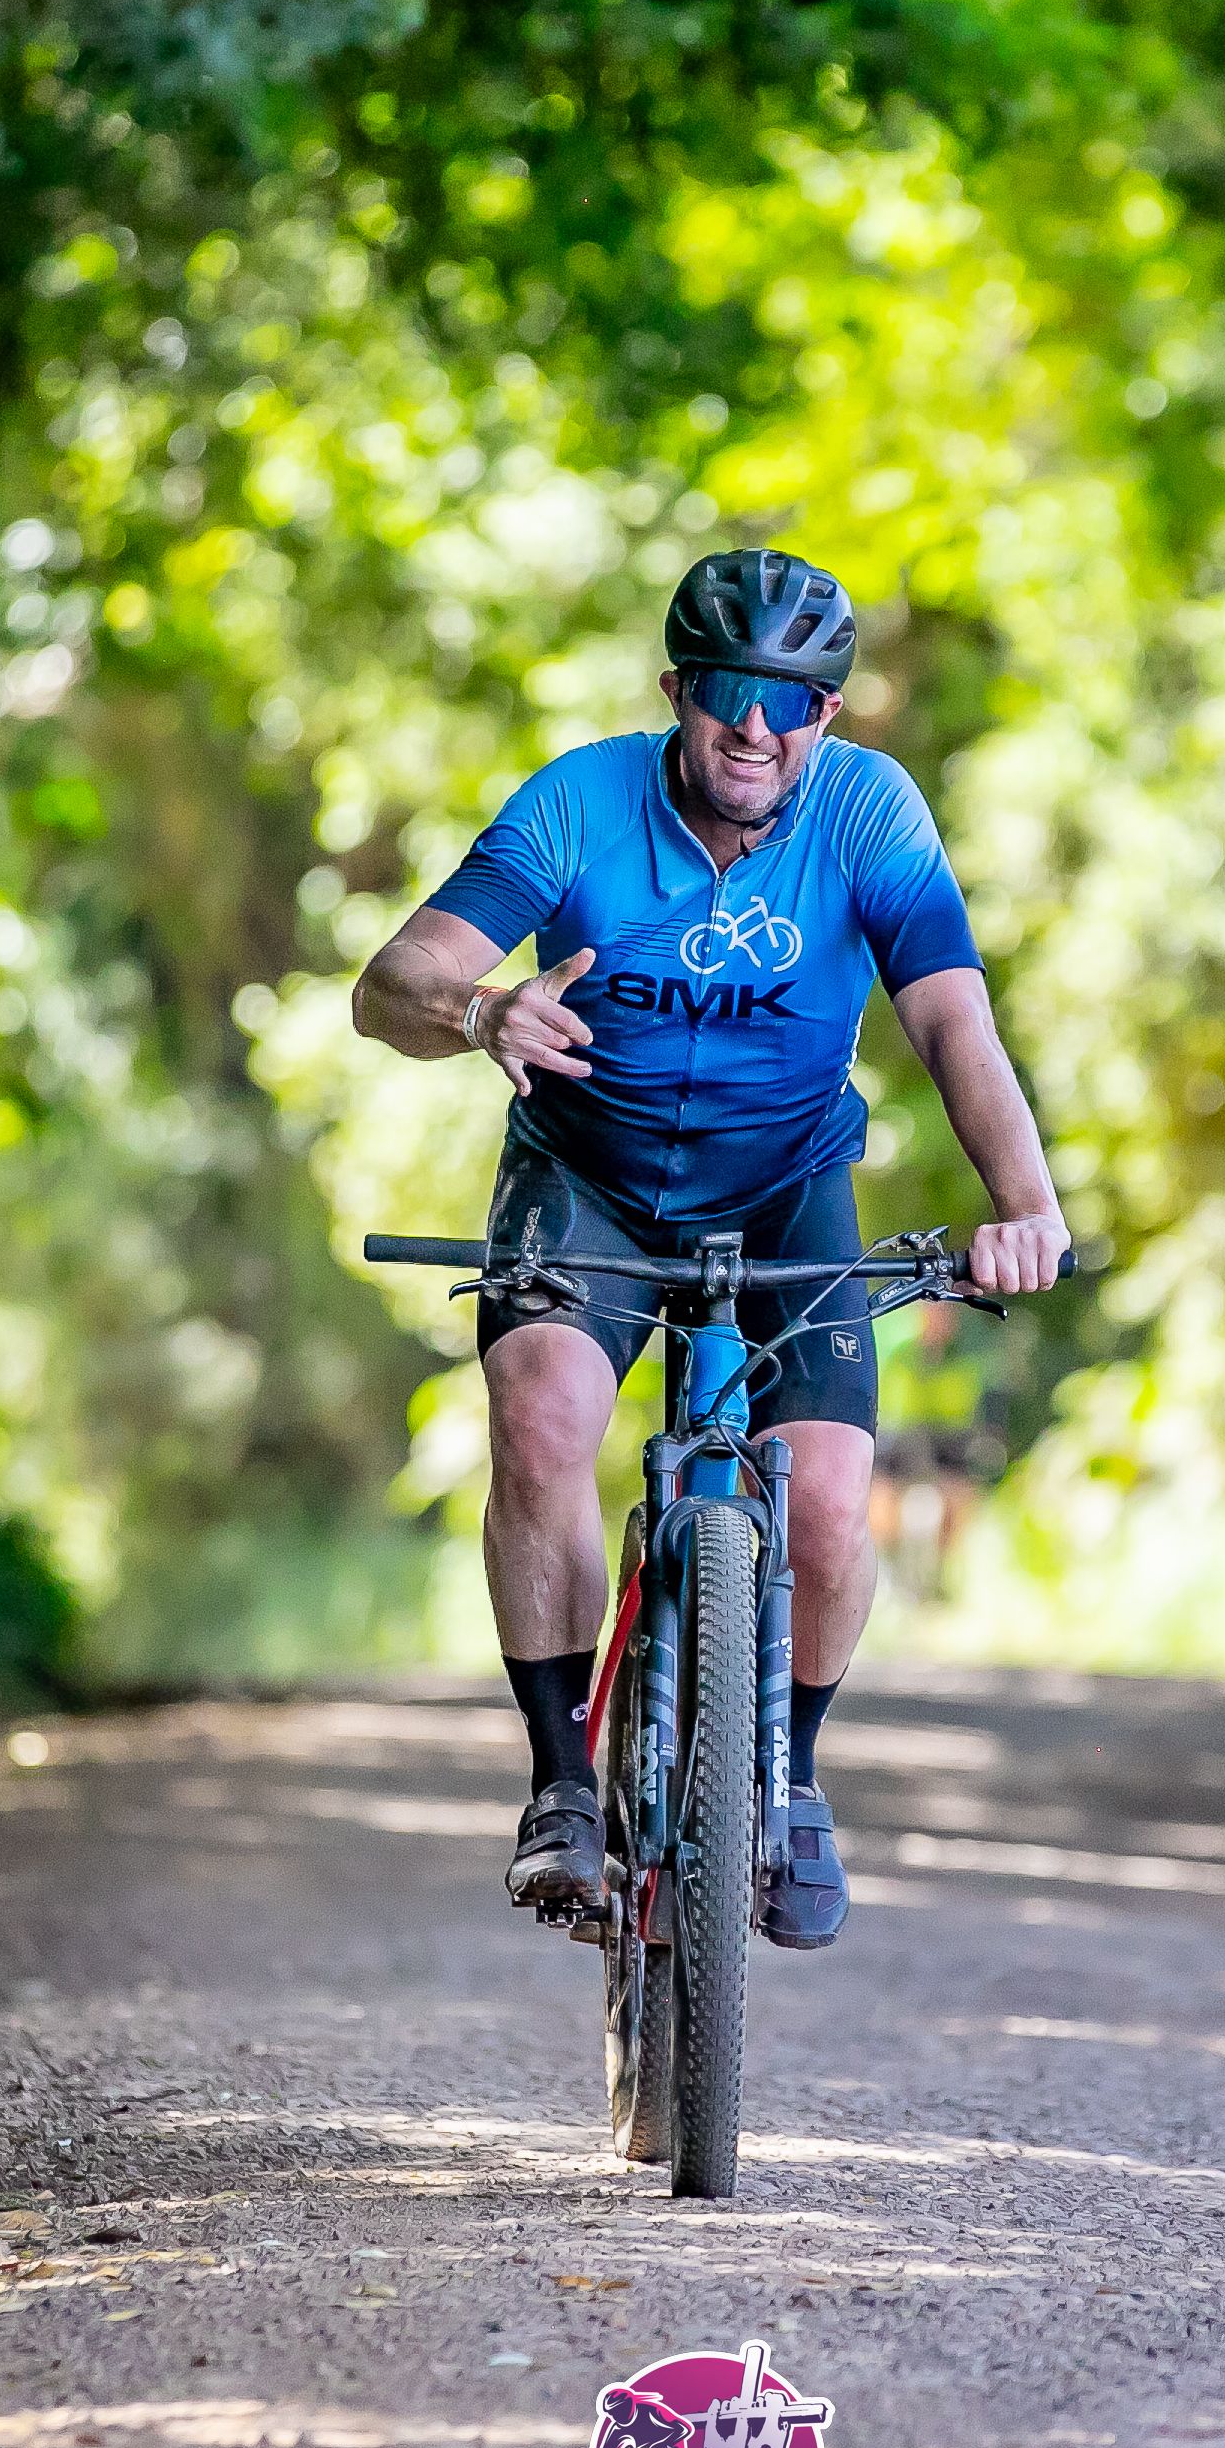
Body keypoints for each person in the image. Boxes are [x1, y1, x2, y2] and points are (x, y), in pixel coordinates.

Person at [349, 547, 1070, 1948]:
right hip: (589, 1179)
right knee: (542, 1418)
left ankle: (788, 1782)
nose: (755, 726)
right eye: (728, 691)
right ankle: (564, 1788)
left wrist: (1025, 1207)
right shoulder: (578, 804)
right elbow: (393, 985)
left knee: (829, 1500)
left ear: (828, 715)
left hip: (787, 1186)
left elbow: (949, 1021)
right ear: (677, 691)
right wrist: (484, 1012)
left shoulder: (869, 812)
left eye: (790, 701)